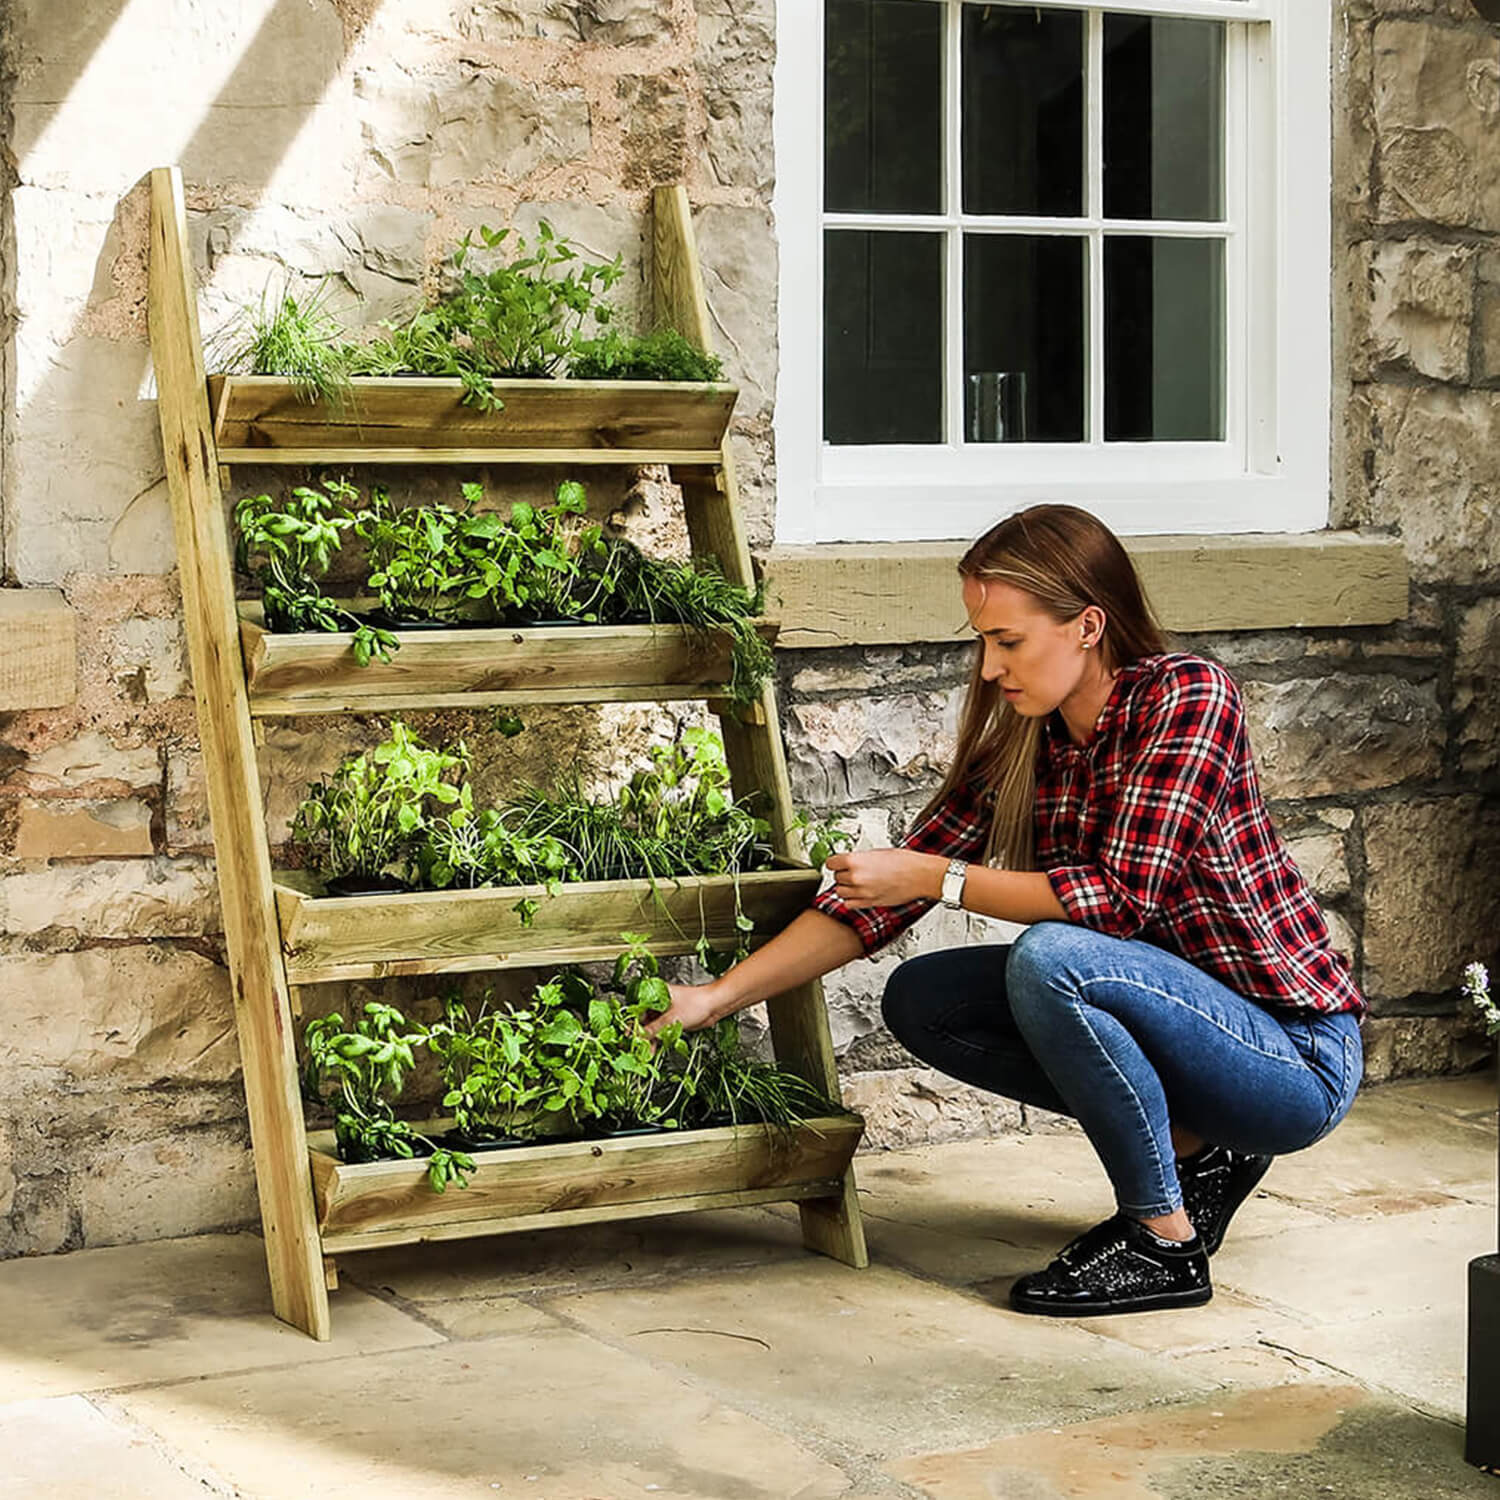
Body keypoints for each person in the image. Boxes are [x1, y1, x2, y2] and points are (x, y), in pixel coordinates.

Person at [647, 504, 1366, 1318]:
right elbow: (877, 904)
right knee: (924, 1000)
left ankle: (1161, 1242)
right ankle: (1200, 1153)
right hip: (1183, 1030)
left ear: (1088, 625)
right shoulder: (1026, 741)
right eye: (984, 640)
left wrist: (933, 876)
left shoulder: (1189, 699)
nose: (989, 668)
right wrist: (715, 997)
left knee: (1056, 959)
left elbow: (1118, 900)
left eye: (1009, 641)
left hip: (1291, 1057)